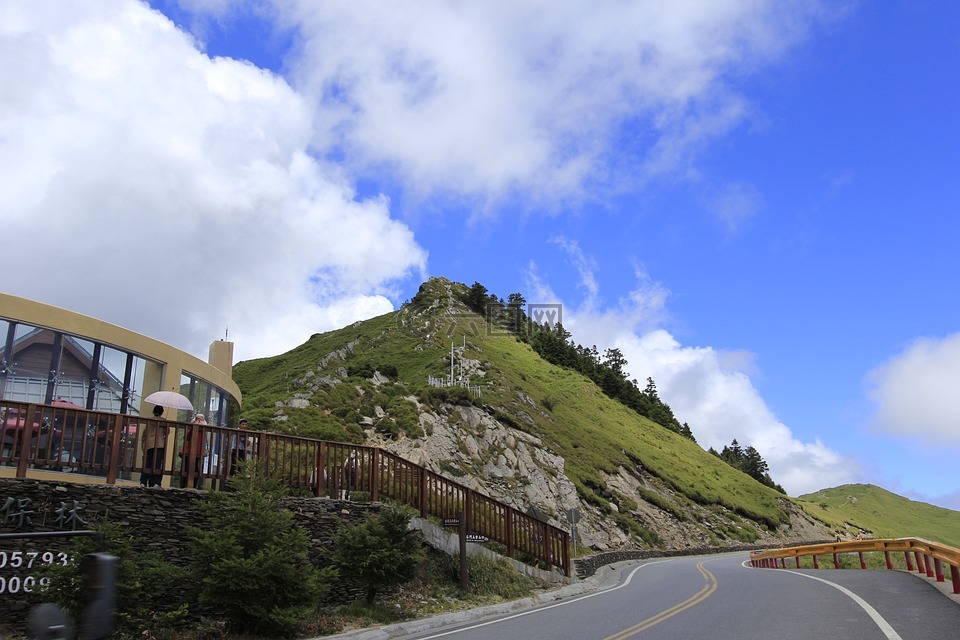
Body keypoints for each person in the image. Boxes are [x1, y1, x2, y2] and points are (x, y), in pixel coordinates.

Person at [139, 405, 168, 487]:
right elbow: (167, 432)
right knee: (157, 463)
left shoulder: (149, 421)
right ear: (162, 412)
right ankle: (156, 482)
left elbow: (144, 433)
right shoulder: (164, 421)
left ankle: (143, 482)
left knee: (147, 463)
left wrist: (143, 445)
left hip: (149, 444)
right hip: (159, 444)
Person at [179, 413, 208, 488]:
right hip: (198, 452)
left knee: (186, 468)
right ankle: (193, 485)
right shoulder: (204, 430)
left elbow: (187, 438)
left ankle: (184, 485)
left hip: (189, 451)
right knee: (195, 468)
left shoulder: (192, 428)